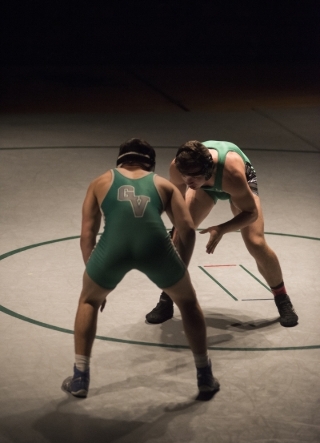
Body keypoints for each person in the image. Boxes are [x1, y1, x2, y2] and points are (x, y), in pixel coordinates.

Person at [62, 138, 220, 398]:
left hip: (113, 250)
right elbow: (188, 229)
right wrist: (182, 266)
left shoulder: (99, 182)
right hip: (156, 249)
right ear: (150, 164)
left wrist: (94, 275)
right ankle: (204, 376)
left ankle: (80, 378)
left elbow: (87, 235)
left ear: (120, 161)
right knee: (188, 303)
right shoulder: (164, 185)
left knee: (88, 301)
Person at [146, 140, 298, 328]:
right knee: (180, 236)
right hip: (207, 185)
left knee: (255, 242)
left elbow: (251, 213)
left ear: (208, 170)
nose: (188, 181)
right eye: (185, 176)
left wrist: (222, 229)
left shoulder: (232, 174)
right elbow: (176, 205)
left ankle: (282, 299)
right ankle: (166, 299)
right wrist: (178, 228)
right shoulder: (178, 168)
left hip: (235, 182)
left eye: (193, 176)